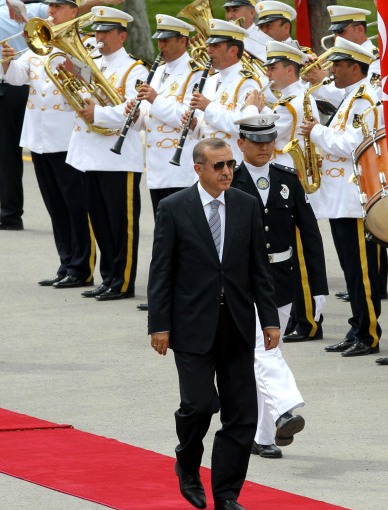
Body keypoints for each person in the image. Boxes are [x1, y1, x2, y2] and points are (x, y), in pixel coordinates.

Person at [148, 137, 280, 510]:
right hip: (191, 325)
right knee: (199, 404)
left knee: (242, 414)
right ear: (199, 169)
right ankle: (187, 462)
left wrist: (268, 319)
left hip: (237, 322)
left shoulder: (246, 205)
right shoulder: (174, 208)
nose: (226, 172)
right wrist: (159, 324)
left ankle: (225, 492)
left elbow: (259, 268)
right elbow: (161, 272)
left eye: (230, 165)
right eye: (218, 166)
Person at [231, 114, 327, 458]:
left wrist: (319, 287)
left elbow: (310, 234)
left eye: (270, 141)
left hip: (281, 279)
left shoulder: (288, 178)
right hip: (242, 282)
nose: (264, 148)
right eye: (257, 142)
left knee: (265, 353)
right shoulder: (229, 179)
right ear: (241, 143)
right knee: (263, 349)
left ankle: (263, 436)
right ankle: (286, 407)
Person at [1, 0, 94, 287]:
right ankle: (66, 263)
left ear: (74, 11)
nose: (51, 13)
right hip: (39, 138)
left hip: (66, 137)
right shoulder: (39, 43)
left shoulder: (83, 44)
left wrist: (72, 62)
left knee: (75, 206)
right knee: (55, 205)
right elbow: (18, 76)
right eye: (50, 7)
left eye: (58, 7)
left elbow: (92, 79)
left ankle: (82, 268)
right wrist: (6, 60)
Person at [300, 37, 382, 357]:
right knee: (351, 270)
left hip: (355, 199)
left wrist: (315, 132)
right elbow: (330, 94)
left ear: (354, 67)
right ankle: (357, 326)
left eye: (337, 64)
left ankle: (368, 332)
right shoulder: (351, 95)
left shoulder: (364, 99)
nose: (332, 70)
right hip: (342, 199)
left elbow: (352, 144)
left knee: (361, 271)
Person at [242, 40, 326, 342]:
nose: (267, 72)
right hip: (280, 182)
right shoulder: (285, 100)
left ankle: (308, 322)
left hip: (290, 183)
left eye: (273, 67)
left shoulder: (292, 103)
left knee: (299, 253)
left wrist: (252, 105)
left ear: (290, 69)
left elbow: (258, 128)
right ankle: (295, 317)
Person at [65, 6, 147, 302]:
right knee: (99, 220)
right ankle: (108, 278)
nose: (99, 36)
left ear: (122, 36)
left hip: (118, 157)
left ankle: (122, 281)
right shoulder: (90, 63)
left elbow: (134, 111)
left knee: (120, 225)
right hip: (90, 154)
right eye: (97, 30)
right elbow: (74, 97)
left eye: (106, 31)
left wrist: (96, 112)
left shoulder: (134, 68)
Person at [126, 14, 204, 311]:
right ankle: (166, 292)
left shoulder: (195, 72)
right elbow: (151, 117)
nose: (160, 45)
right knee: (164, 233)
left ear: (182, 41)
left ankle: (186, 292)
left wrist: (156, 101)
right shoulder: (158, 71)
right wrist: (135, 118)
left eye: (167, 40)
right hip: (158, 164)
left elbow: (188, 118)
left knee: (186, 235)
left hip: (182, 164)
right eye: (159, 39)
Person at [0, 0, 48, 230]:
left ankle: (9, 214)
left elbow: (68, 9)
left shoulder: (30, 9)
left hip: (12, 85)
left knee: (7, 152)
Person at [187, 19, 262, 164]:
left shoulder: (247, 82)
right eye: (209, 45)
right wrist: (195, 126)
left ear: (233, 50)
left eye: (216, 45)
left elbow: (244, 127)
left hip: (232, 165)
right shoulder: (211, 80)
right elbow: (209, 127)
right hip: (208, 164)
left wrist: (208, 107)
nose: (209, 50)